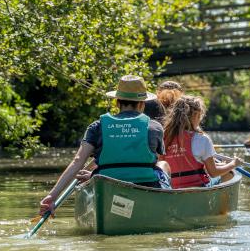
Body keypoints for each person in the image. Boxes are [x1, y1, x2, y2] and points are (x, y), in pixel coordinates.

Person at [39, 75, 171, 216]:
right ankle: (162, 208)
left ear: (116, 102)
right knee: (163, 165)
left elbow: (77, 161)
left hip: (108, 188)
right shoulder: (155, 127)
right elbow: (151, 159)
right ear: (142, 104)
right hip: (145, 187)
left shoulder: (97, 127)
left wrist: (52, 196)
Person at [162, 95, 241, 188]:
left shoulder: (164, 137)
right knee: (230, 172)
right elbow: (213, 172)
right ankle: (219, 202)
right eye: (200, 116)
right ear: (195, 115)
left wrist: (221, 164)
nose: (200, 120)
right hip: (198, 188)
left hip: (173, 190)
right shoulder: (202, 139)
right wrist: (233, 164)